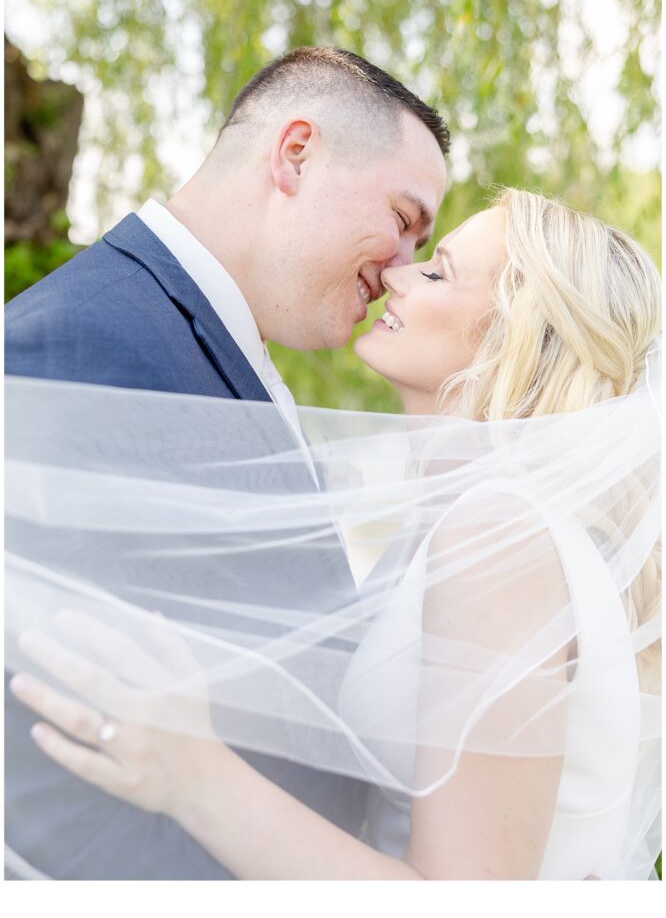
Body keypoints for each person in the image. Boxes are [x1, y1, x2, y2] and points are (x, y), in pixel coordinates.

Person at [7, 189, 661, 879]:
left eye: (437, 272)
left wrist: (194, 772)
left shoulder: (498, 530)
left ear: (515, 334)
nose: (396, 277)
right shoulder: (481, 523)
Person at [3, 46, 449, 879]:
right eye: (403, 217)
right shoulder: (79, 344)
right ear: (295, 154)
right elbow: (32, 751)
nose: (398, 271)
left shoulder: (215, 341)